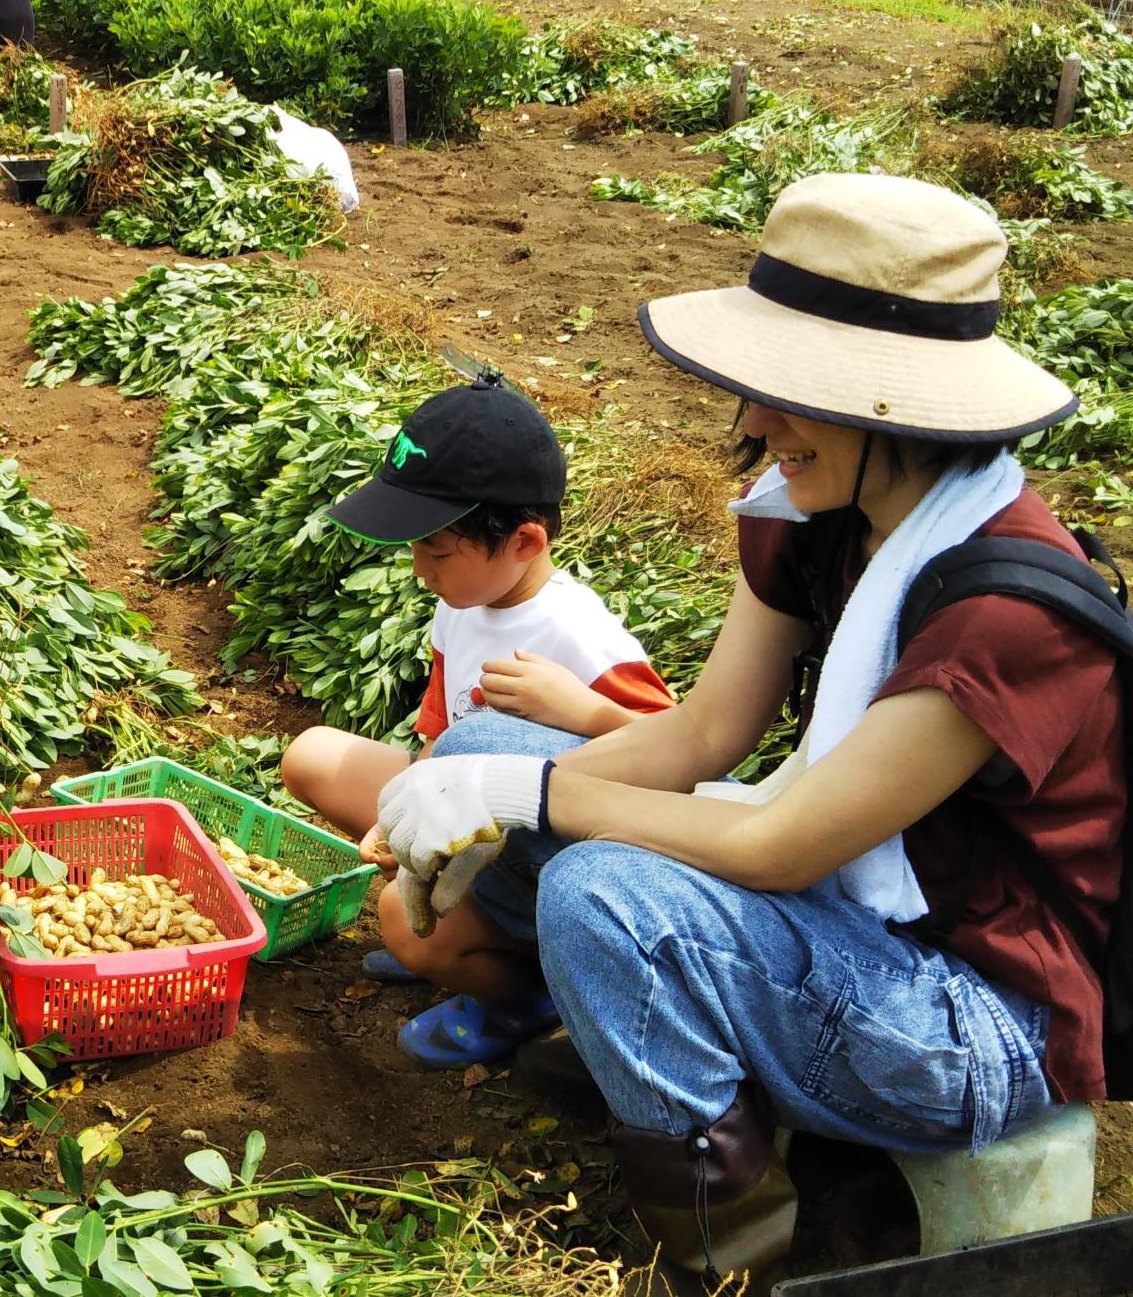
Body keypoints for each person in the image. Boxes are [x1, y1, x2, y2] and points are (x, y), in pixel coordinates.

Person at [370, 173, 1124, 1286]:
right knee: (484, 748)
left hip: (968, 1014)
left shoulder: (1002, 614)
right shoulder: (820, 521)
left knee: (602, 896)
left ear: (890, 402)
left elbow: (787, 844)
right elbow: (700, 735)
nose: (754, 424)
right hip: (851, 926)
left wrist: (526, 810)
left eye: (788, 393)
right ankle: (638, 1030)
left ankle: (736, 1263)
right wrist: (479, 790)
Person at [277, 375, 672, 1063]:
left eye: (436, 550)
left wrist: (585, 712)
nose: (417, 568)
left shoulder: (579, 637)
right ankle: (460, 940)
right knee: (309, 756)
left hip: (549, 862)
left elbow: (681, 768)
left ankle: (525, 995)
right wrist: (405, 805)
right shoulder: (460, 603)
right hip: (466, 811)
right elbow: (441, 727)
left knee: (400, 919)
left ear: (523, 541)